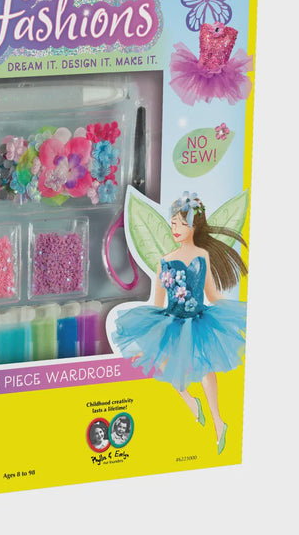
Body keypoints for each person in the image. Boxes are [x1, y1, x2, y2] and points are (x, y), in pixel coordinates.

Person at [112, 192, 247, 455]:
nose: (175, 228)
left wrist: (236, 312)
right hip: (172, 320)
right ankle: (190, 399)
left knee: (206, 369)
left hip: (199, 320)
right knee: (164, 363)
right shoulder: (164, 260)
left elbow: (211, 294)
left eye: (182, 223)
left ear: (194, 226)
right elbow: (158, 301)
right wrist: (150, 325)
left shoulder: (202, 255)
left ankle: (218, 421)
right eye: (173, 223)